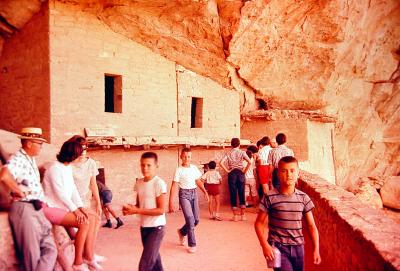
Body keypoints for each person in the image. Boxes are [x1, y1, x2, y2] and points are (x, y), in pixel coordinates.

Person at [0, 127, 57, 271]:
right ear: (29, 143)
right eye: (39, 143)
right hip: (24, 209)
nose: (41, 146)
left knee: (51, 249)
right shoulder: (18, 158)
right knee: (32, 257)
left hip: (37, 208)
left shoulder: (30, 159)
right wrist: (17, 190)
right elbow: (4, 175)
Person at [254, 156, 321, 271]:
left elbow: (311, 226)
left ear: (298, 173)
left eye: (292, 170)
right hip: (278, 247)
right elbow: (259, 223)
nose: (288, 175)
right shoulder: (270, 197)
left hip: (298, 247)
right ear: (278, 174)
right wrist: (265, 245)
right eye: (284, 171)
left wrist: (316, 249)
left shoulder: (303, 198)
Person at [42, 140, 101, 271]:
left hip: (62, 207)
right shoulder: (54, 169)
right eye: (78, 154)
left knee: (93, 216)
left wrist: (80, 207)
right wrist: (76, 211)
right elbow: (60, 194)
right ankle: (78, 263)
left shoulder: (67, 167)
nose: (80, 157)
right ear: (71, 154)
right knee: (84, 222)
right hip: (50, 207)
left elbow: (72, 189)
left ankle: (88, 256)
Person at [122, 152, 167, 271]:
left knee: (144, 265)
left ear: (156, 166)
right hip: (144, 227)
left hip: (157, 228)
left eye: (148, 165)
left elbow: (161, 210)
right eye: (142, 165)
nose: (145, 168)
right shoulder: (139, 183)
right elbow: (139, 205)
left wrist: (137, 210)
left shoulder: (159, 183)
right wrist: (130, 209)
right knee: (155, 262)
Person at [68, 135, 106, 263]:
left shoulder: (90, 163)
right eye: (81, 150)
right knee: (89, 221)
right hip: (73, 203)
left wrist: (99, 205)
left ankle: (89, 254)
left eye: (85, 149)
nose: (83, 153)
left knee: (96, 221)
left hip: (85, 201)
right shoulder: (69, 164)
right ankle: (88, 256)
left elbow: (93, 184)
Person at [169, 148, 209, 253]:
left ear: (191, 157)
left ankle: (182, 232)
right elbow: (174, 186)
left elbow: (198, 181)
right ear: (181, 157)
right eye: (185, 156)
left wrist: (205, 191)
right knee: (190, 220)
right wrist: (171, 202)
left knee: (196, 220)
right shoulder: (179, 170)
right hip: (184, 195)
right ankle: (192, 244)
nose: (187, 158)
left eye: (189, 156)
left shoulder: (194, 168)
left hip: (194, 194)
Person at [219, 138, 251, 221]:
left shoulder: (229, 153)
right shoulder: (242, 152)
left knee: (233, 194)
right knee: (241, 193)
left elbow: (221, 162)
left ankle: (235, 216)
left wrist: (227, 171)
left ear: (231, 145)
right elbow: (249, 162)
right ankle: (243, 215)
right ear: (239, 144)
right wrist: (244, 171)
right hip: (240, 173)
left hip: (232, 173)